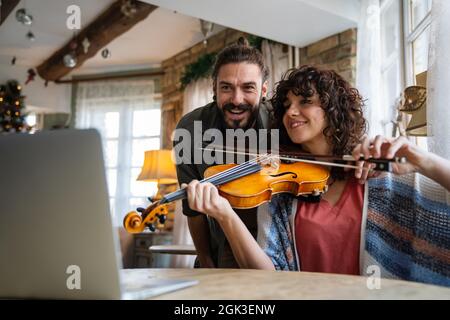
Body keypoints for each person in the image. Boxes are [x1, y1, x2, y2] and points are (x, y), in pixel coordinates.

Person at [184, 65, 450, 286]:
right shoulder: (281, 187)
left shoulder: (379, 173)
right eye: (286, 105)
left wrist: (423, 160)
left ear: (333, 108)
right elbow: (266, 276)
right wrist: (225, 214)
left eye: (305, 101)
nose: (291, 112)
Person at [173, 37, 273, 268]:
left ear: (263, 91)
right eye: (226, 87)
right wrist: (206, 260)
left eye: (248, 88)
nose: (236, 100)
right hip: (222, 244)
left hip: (277, 244)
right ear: (214, 89)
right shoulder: (191, 128)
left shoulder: (282, 121)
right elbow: (193, 209)